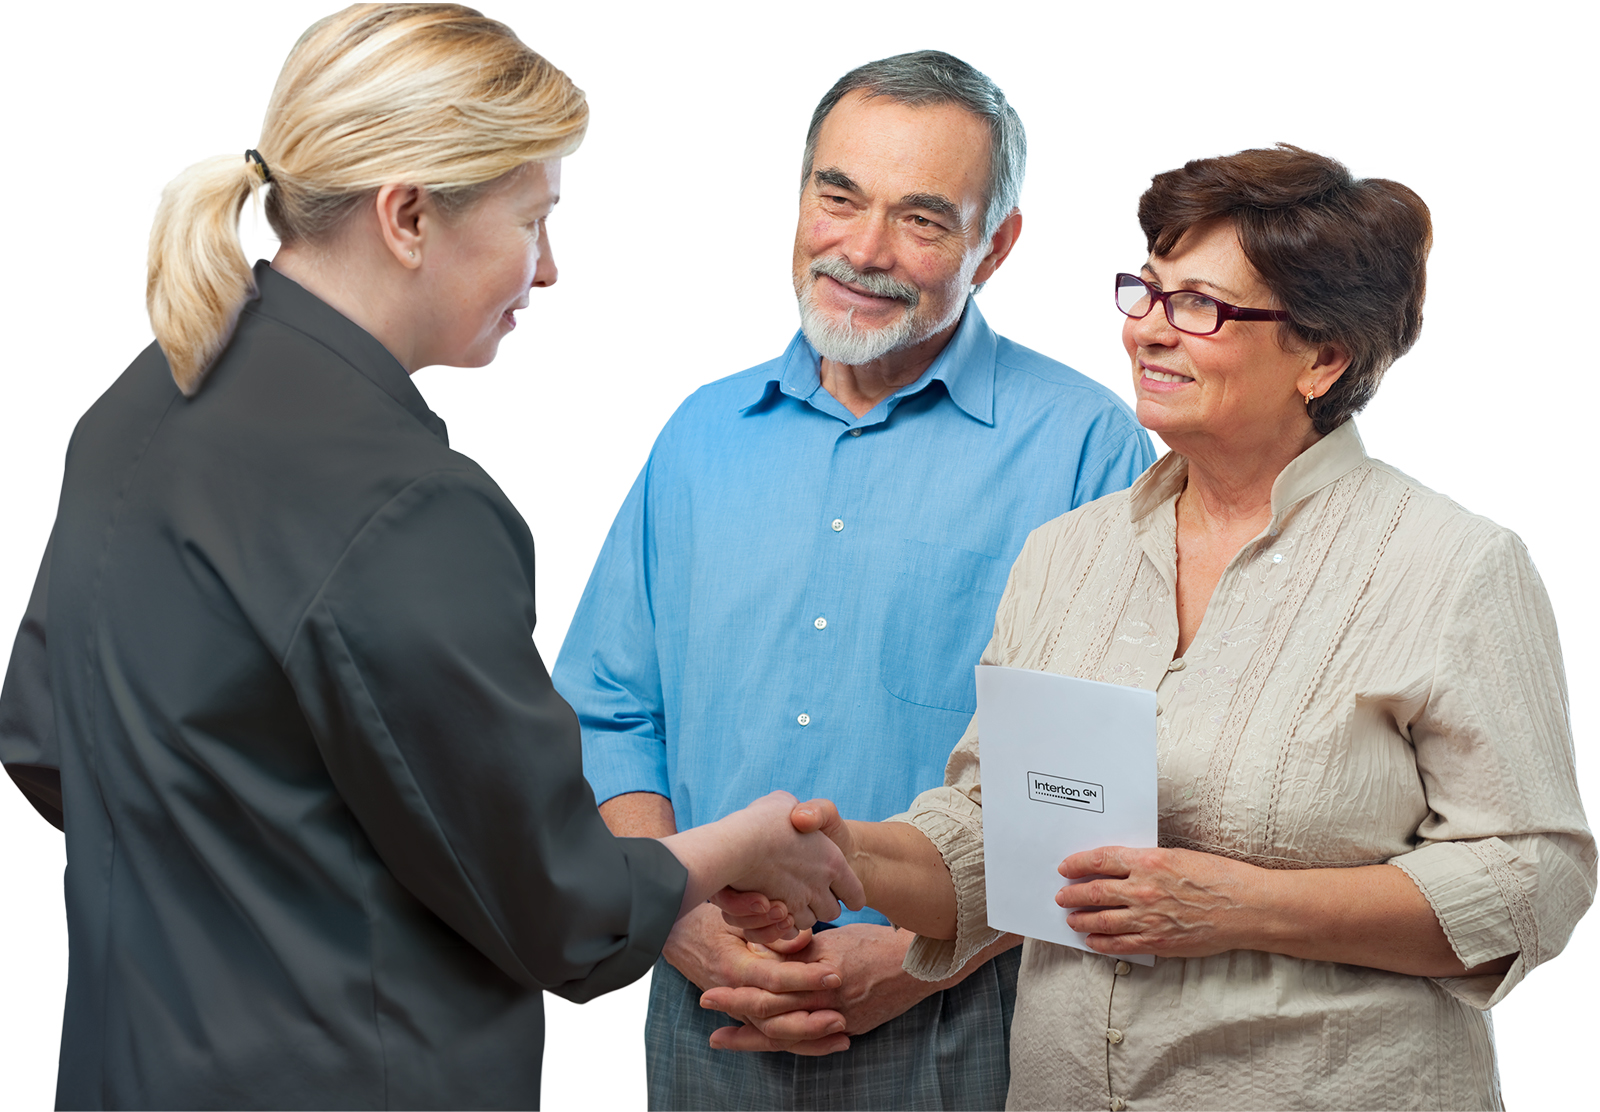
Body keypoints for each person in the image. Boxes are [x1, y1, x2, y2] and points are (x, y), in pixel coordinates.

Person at [0, 5, 861, 1109]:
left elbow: (47, 746)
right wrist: (737, 842)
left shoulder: (137, 406)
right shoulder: (408, 506)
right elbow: (564, 908)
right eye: (531, 219)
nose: (546, 269)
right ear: (407, 214)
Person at [766, 144, 1597, 1110]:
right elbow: (995, 838)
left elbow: (1535, 876)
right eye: (1146, 294)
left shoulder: (1452, 566)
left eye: (1198, 306)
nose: (1150, 334)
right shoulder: (1064, 558)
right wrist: (842, 855)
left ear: (1323, 359)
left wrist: (1243, 906)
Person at [551, 50, 1154, 1110]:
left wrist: (917, 957)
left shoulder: (1086, 447)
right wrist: (675, 912)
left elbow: (1087, 791)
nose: (863, 250)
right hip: (706, 1005)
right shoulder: (699, 435)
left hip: (957, 1016)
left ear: (995, 243)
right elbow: (607, 712)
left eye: (921, 219)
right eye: (839, 197)